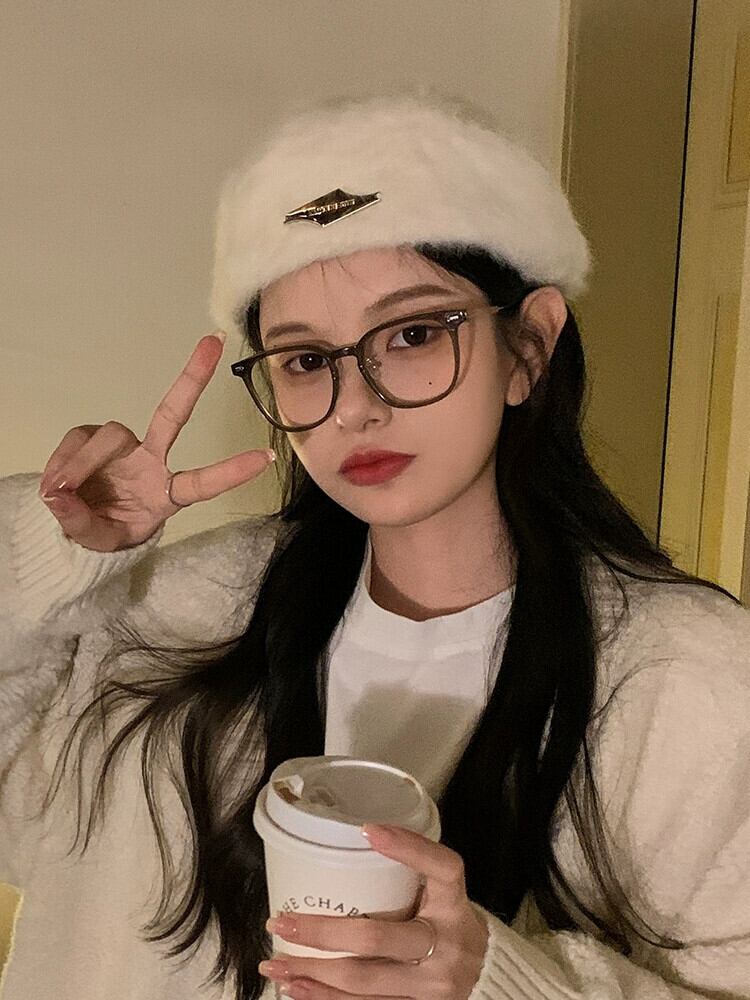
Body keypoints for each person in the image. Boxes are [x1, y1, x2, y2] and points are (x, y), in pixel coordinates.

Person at [1, 92, 749, 1000]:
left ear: (529, 348)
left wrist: (495, 983)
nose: (356, 406)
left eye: (413, 334)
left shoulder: (694, 683)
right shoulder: (183, 613)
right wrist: (47, 551)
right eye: (307, 360)